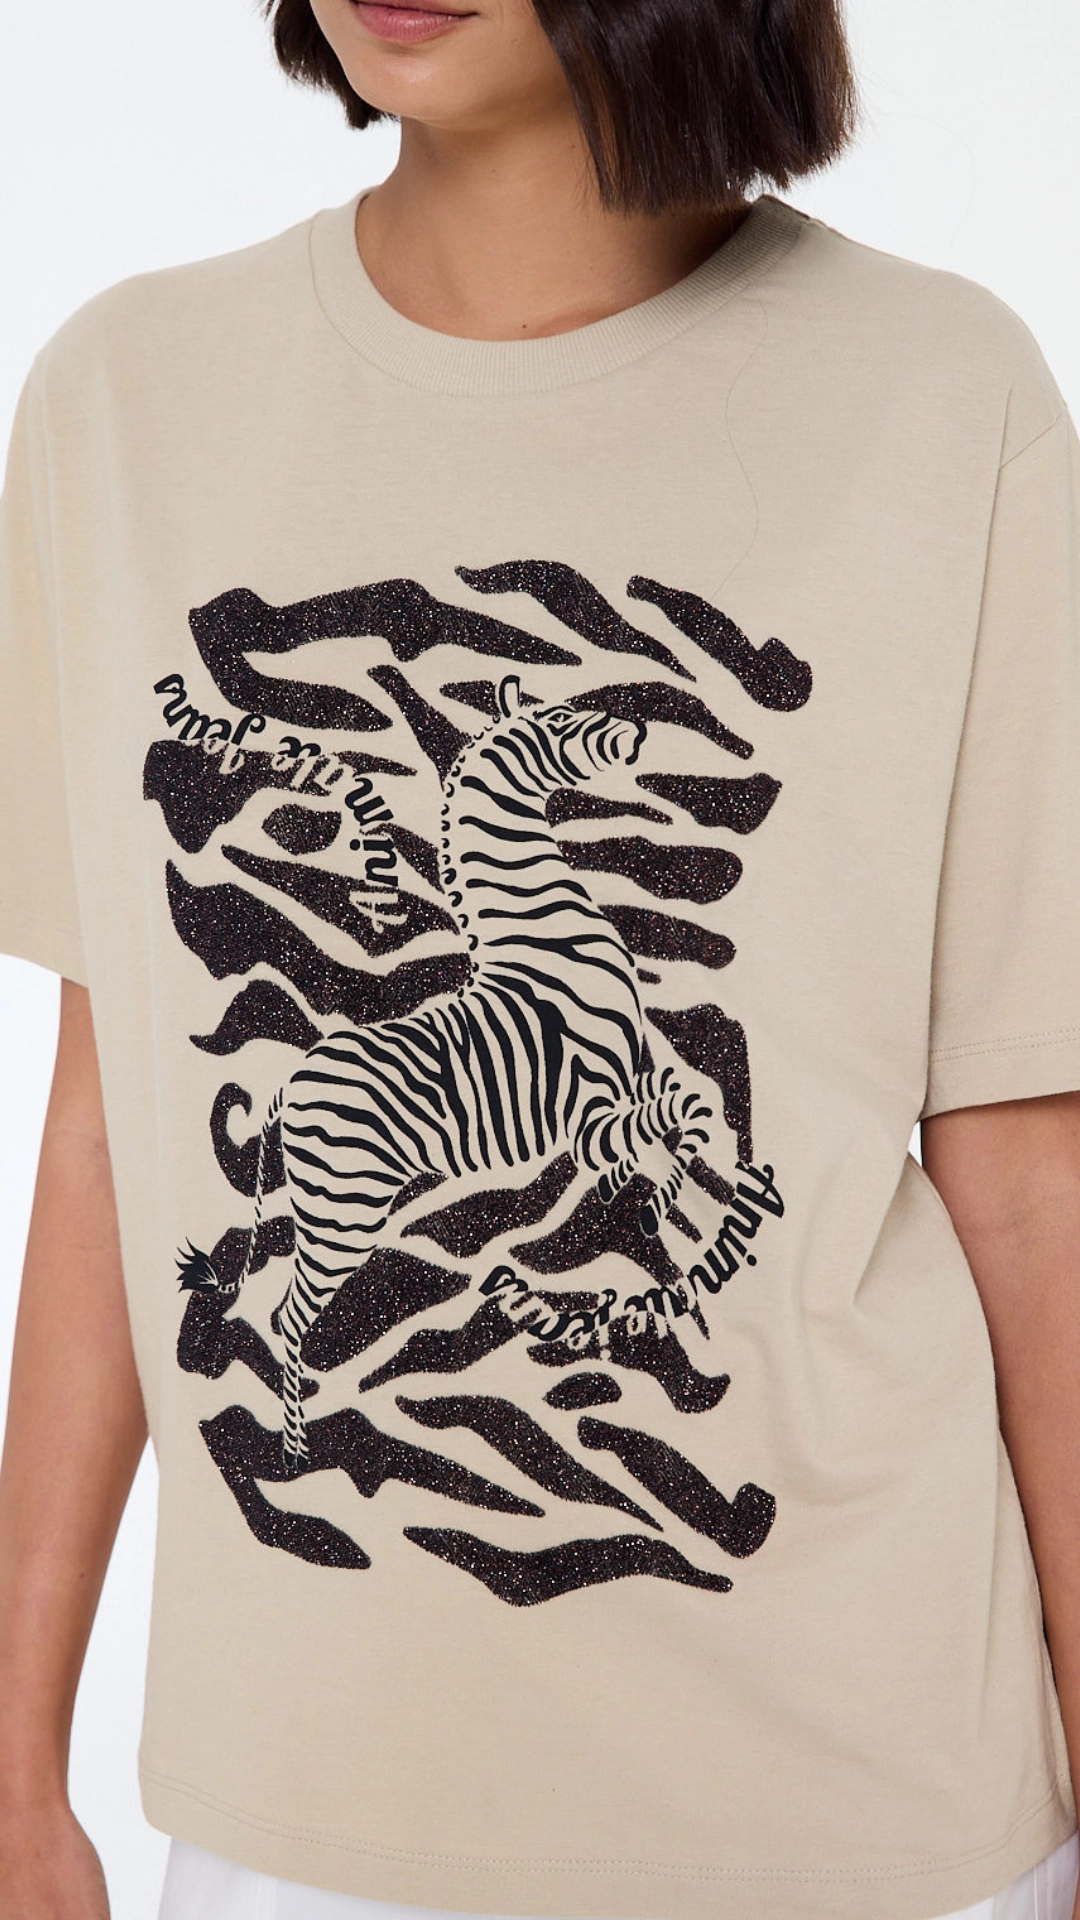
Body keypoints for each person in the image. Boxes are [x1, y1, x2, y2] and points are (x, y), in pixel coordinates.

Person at [1, 0, 1079, 1917]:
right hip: (300, 1824)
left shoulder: (944, 396)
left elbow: (1026, 1172)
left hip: (873, 1823)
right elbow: (108, 1130)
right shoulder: (125, 400)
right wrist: (16, 1773)